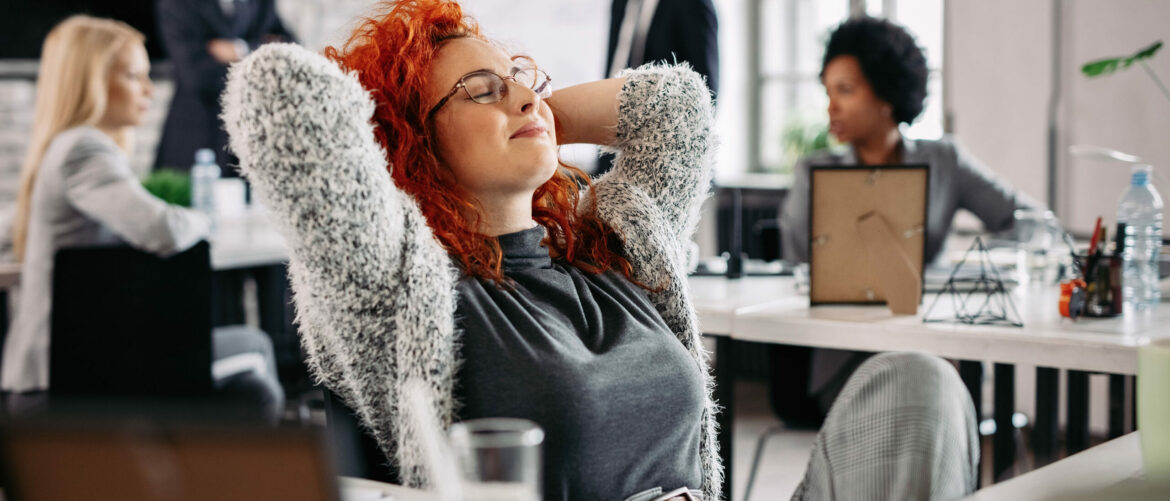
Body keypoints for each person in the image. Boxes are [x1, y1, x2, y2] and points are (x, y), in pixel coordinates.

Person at [223, 1, 978, 499]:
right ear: (411, 141)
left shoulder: (613, 246)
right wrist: (406, 128)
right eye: (480, 90)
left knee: (918, 384)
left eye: (520, 78)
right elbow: (277, 95)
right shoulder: (402, 290)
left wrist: (528, 111)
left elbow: (677, 111)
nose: (520, 95)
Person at [3, 15, 283, 422]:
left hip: (77, 363)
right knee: (254, 377)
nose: (150, 91)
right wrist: (207, 219)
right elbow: (162, 229)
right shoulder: (84, 150)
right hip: (65, 378)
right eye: (135, 76)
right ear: (92, 83)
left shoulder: (67, 148)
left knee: (250, 344)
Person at [775, 16, 1042, 426]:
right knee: (920, 408)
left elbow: (1030, 221)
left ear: (886, 95)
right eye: (828, 92)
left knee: (933, 395)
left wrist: (968, 265)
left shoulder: (943, 161)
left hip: (932, 339)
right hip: (847, 352)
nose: (831, 106)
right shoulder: (814, 172)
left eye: (845, 90)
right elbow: (796, 260)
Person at [153, 0, 295, 174]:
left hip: (251, 129)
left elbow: (288, 47)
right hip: (197, 128)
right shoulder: (176, 4)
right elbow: (195, 72)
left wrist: (239, 50)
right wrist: (259, 61)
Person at [598, 0, 719, 176]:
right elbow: (613, 68)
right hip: (610, 158)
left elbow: (706, 94)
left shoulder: (693, 4)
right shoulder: (621, 4)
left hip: (668, 168)